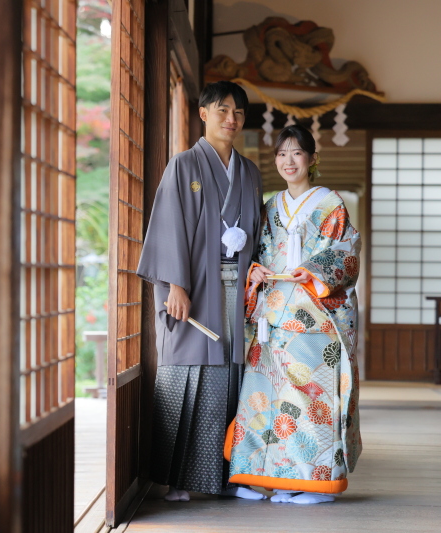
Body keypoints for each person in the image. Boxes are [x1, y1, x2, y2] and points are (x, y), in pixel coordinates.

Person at [137, 81, 265, 502]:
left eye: (240, 113)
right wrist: (176, 284)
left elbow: (259, 235)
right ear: (203, 113)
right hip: (195, 286)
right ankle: (179, 479)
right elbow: (169, 226)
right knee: (188, 369)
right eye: (223, 110)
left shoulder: (249, 172)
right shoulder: (184, 166)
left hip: (236, 287)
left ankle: (230, 475)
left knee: (233, 375)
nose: (232, 119)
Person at [225, 124, 362, 504]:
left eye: (297, 153)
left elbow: (346, 252)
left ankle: (313, 481)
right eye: (282, 154)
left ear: (312, 159)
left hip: (313, 315)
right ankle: (261, 476)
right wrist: (256, 272)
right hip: (272, 315)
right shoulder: (271, 205)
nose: (289, 161)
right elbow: (258, 254)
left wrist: (316, 271)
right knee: (263, 396)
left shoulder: (329, 203)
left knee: (306, 397)